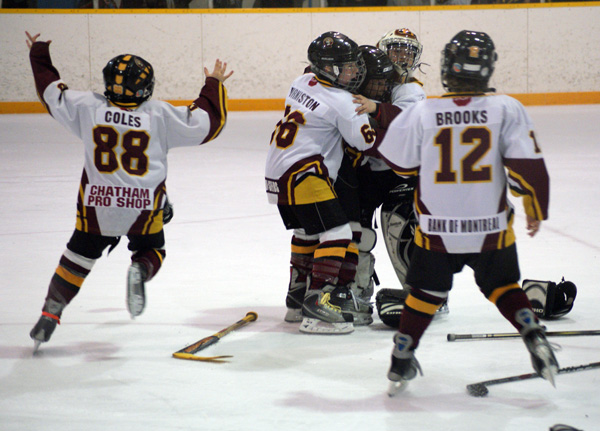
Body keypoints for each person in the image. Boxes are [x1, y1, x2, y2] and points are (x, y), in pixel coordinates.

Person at [26, 31, 233, 351]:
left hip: (96, 207)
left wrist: (39, 55)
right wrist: (214, 84)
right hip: (143, 207)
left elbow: (50, 91)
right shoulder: (161, 114)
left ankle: (50, 312)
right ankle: (140, 268)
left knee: (77, 259)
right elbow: (208, 123)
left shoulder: (86, 107)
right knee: (153, 250)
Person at [377, 30, 558, 395]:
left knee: (425, 294)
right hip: (490, 228)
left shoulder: (424, 110)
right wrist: (535, 207)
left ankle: (400, 358)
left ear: (447, 68)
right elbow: (529, 167)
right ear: (487, 70)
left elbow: (397, 161)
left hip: (435, 230)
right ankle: (533, 333)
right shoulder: (506, 108)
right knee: (503, 286)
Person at [265, 31, 378, 335]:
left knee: (307, 232)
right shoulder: (343, 102)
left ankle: (296, 298)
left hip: (277, 173)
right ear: (328, 68)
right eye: (348, 66)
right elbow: (365, 143)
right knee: (338, 233)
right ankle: (318, 304)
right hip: (306, 174)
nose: (355, 71)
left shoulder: (301, 82)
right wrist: (375, 113)